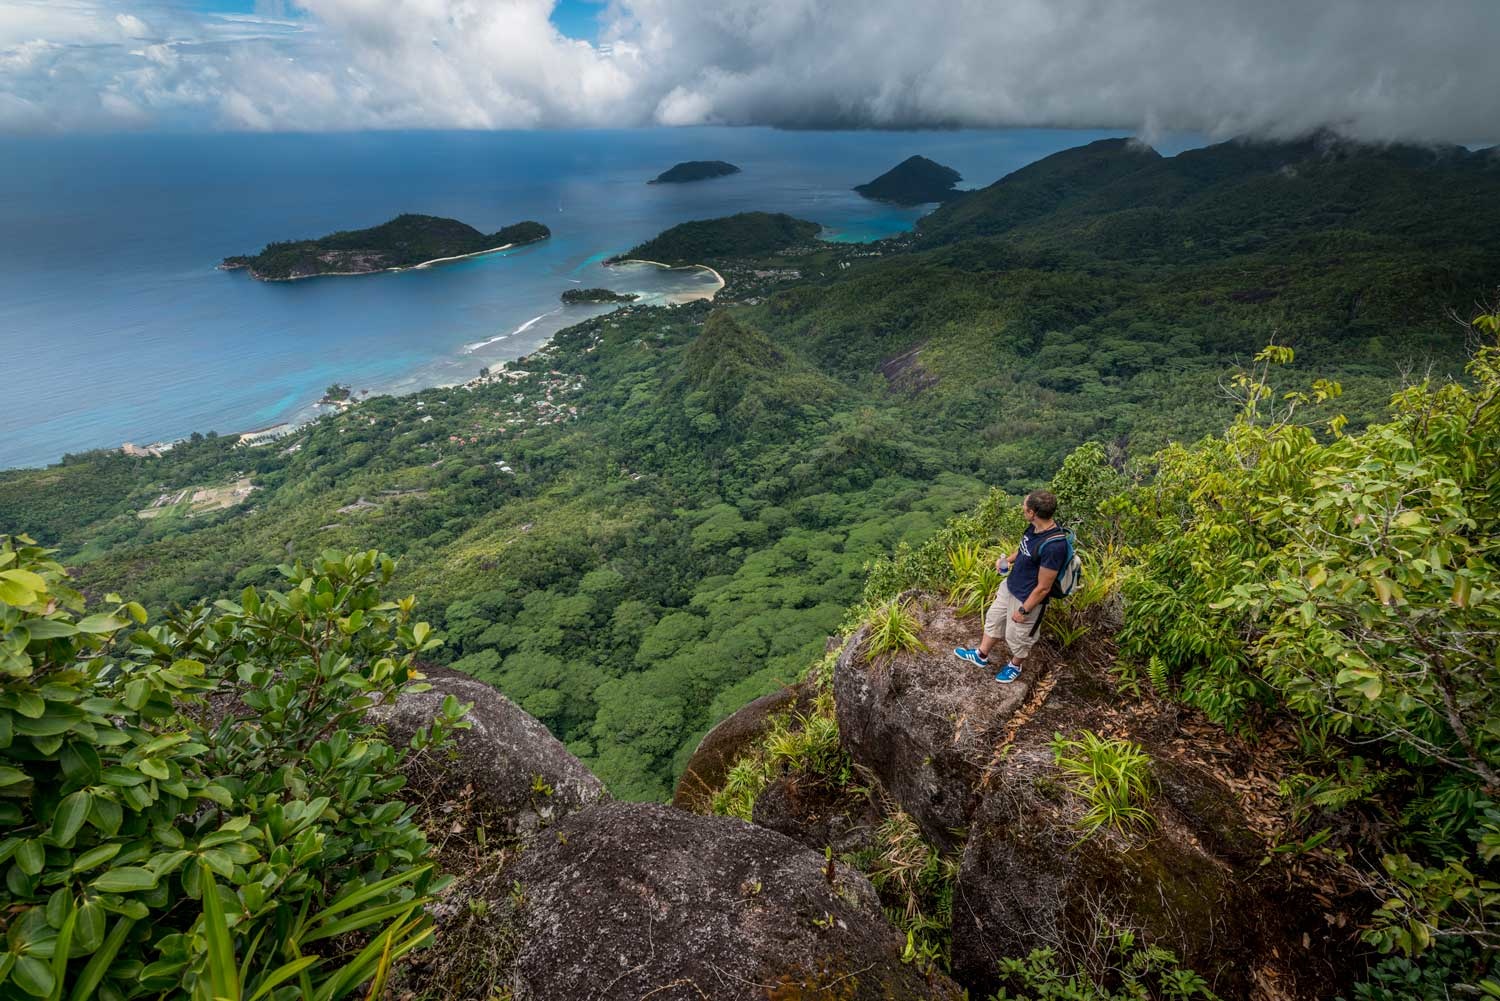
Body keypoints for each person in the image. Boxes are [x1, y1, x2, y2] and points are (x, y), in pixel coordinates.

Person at [954, 489, 1067, 683]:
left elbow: (1044, 587)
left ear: (1032, 512)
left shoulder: (1054, 546)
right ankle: (981, 655)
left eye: (1025, 507)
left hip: (1027, 596)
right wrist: (1008, 560)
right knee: (994, 619)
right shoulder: (1034, 527)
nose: (1022, 509)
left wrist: (1024, 610)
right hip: (1012, 584)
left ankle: (1015, 665)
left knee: (1018, 635)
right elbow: (1023, 550)